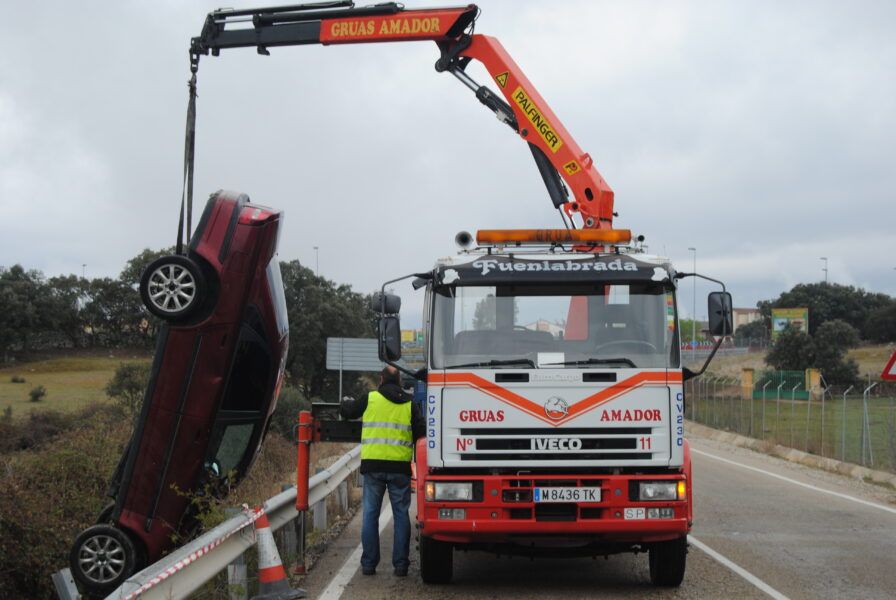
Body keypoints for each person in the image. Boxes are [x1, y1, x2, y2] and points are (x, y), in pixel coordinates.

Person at [340, 366, 425, 577]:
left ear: (381, 379)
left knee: (370, 515)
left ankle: (369, 565)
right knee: (401, 515)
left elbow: (348, 412)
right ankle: (401, 565)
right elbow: (421, 433)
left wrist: (345, 402)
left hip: (373, 468)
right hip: (400, 469)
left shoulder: (371, 398)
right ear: (399, 381)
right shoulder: (410, 403)